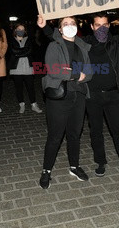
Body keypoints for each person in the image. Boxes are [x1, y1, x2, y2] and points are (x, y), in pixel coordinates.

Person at [38, 0, 119, 181]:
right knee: (95, 131)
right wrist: (44, 27)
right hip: (91, 96)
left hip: (113, 94)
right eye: (98, 25)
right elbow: (61, 38)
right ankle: (100, 163)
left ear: (109, 25)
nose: (102, 28)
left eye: (105, 25)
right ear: (92, 26)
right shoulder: (85, 42)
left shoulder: (115, 41)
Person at [37, 16, 93, 189]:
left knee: (75, 134)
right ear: (59, 29)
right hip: (60, 97)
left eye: (73, 23)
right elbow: (53, 69)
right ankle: (46, 171)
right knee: (55, 136)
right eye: (65, 24)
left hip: (79, 96)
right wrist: (76, 74)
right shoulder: (54, 45)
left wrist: (80, 74)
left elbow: (89, 71)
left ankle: (74, 167)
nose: (70, 26)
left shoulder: (82, 46)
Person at [8, 23, 42, 113]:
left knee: (31, 87)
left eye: (22, 29)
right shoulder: (11, 40)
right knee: (19, 88)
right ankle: (21, 105)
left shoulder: (29, 40)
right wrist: (23, 51)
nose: (21, 31)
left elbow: (29, 51)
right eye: (19, 29)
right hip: (16, 68)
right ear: (15, 30)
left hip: (28, 67)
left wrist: (18, 52)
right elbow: (12, 51)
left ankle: (34, 104)